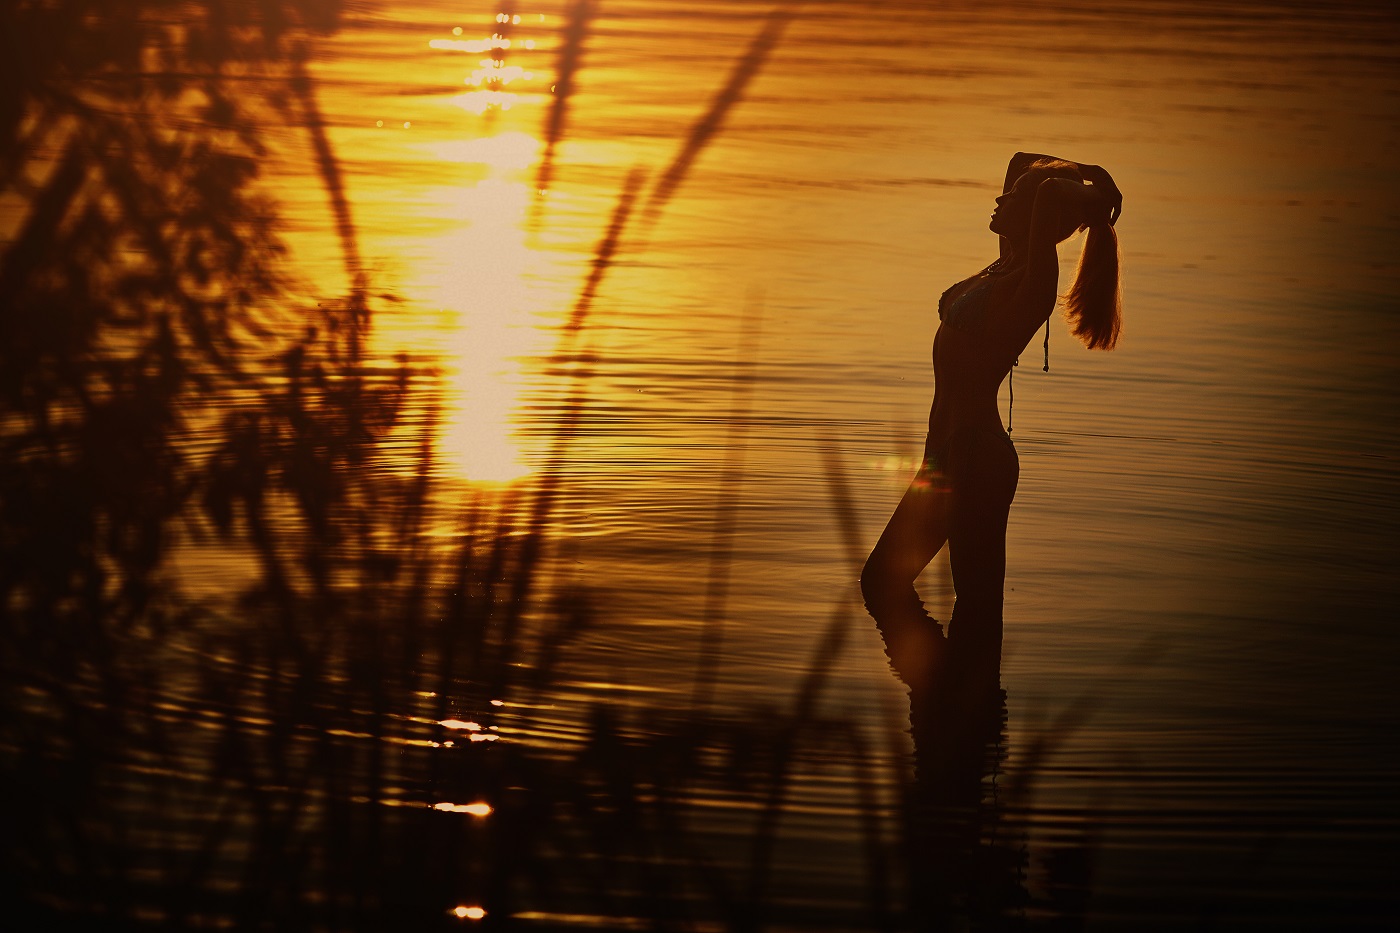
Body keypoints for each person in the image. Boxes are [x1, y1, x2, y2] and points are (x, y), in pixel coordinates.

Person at [860, 151, 1123, 687]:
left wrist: (1095, 196)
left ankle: (970, 724)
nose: (1001, 198)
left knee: (976, 610)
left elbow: (1048, 197)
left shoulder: (1031, 282)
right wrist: (1092, 171)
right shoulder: (1004, 260)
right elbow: (1021, 160)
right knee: (882, 583)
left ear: (1039, 220)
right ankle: (946, 706)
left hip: (976, 460)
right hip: (945, 459)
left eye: (1015, 199)